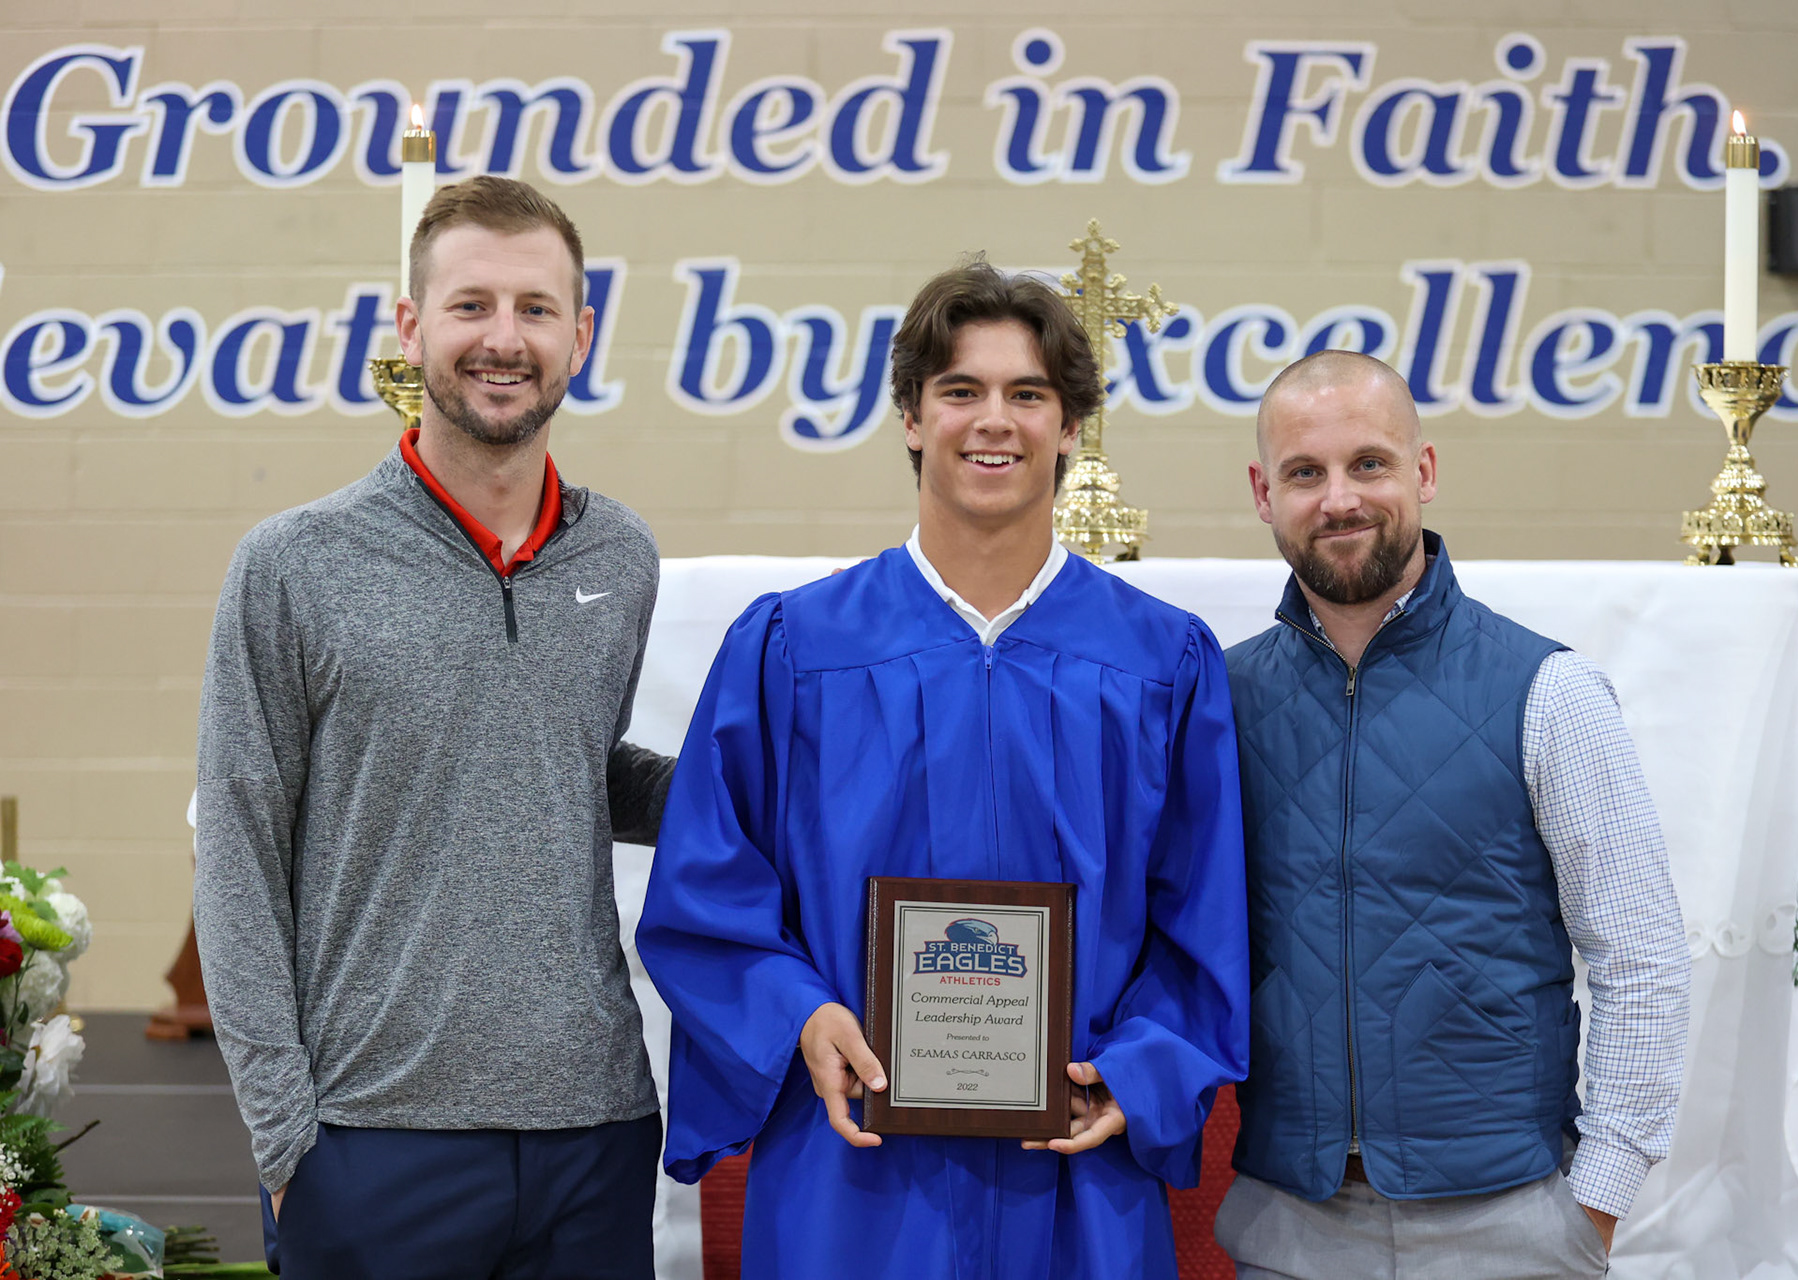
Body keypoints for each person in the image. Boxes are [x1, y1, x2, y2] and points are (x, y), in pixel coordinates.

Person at [635, 259, 1249, 1279]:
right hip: (858, 1171)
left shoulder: (1159, 662)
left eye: (1028, 395)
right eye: (960, 391)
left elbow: (1208, 916)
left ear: (1071, 427)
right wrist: (799, 1010)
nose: (992, 421)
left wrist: (1138, 1072)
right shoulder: (796, 647)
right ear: (913, 418)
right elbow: (707, 885)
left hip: (1075, 1169)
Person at [194, 175, 674, 1280]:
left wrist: (763, 790)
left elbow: (566, 767)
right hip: (370, 1139)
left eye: (536, 309)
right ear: (410, 327)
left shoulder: (621, 556)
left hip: (592, 1130)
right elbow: (235, 847)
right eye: (470, 306)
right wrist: (285, 1136)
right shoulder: (293, 564)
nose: (503, 339)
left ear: (581, 335)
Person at [1214, 350, 1691, 1278]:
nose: (1340, 499)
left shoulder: (1549, 692)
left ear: (1423, 472)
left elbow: (1641, 957)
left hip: (1508, 1222)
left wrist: (1593, 1203)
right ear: (1262, 493)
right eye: (1305, 472)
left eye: (1370, 464)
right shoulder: (1220, 701)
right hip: (1287, 1222)